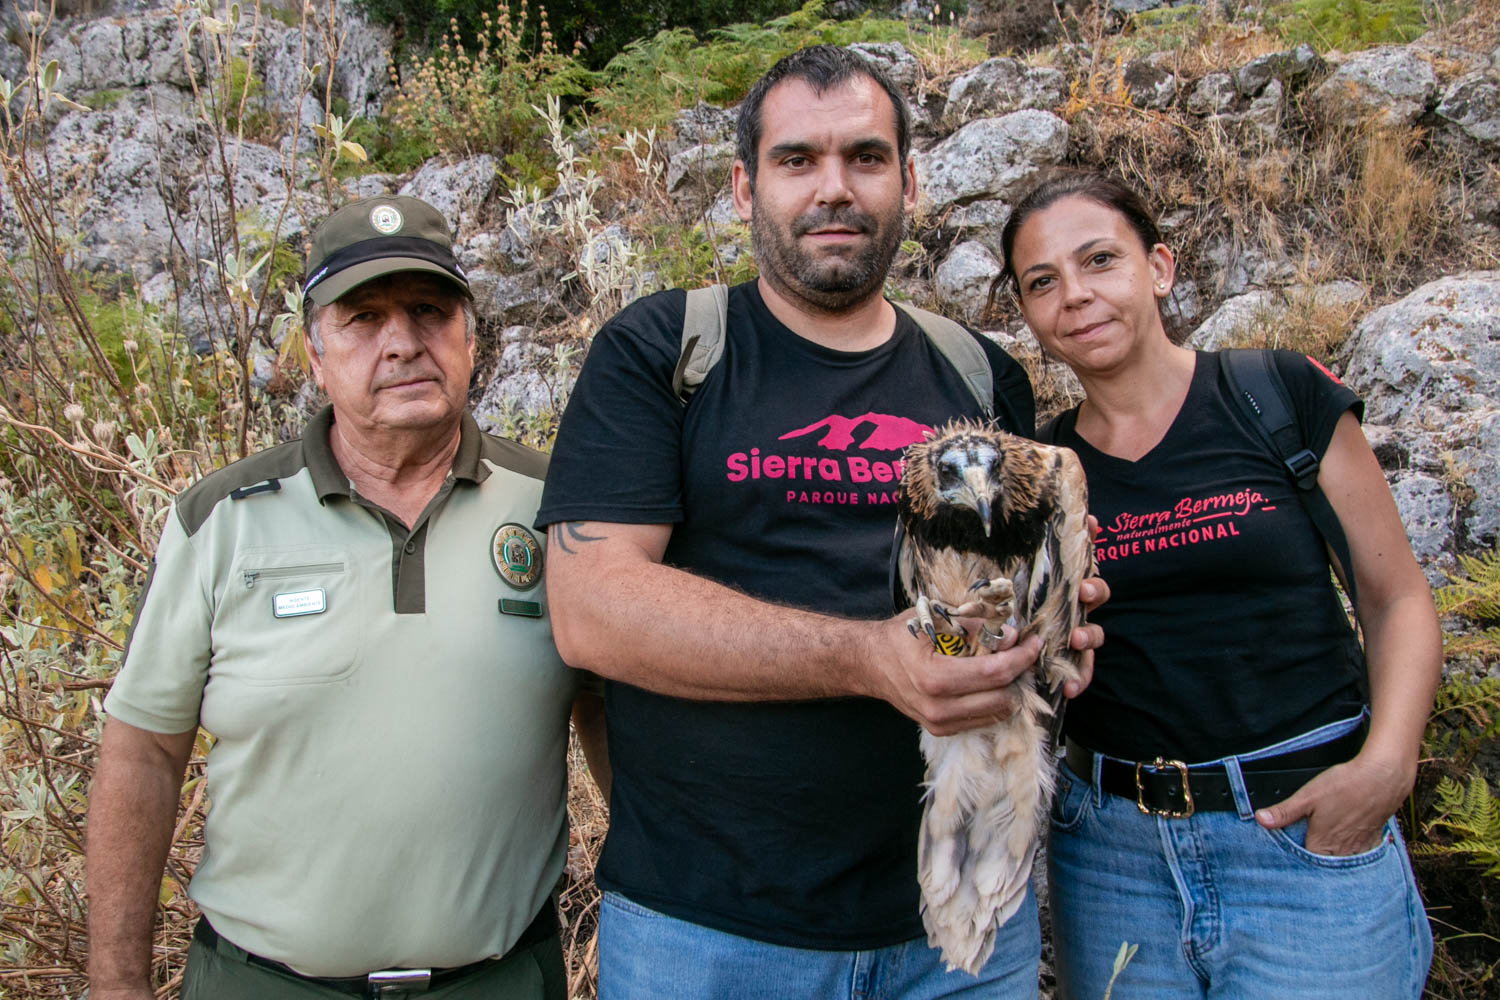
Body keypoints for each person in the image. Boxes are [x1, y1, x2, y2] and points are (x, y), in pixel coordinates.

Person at [536, 46, 1105, 998]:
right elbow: (591, 610)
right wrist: (868, 659)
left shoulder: (978, 375)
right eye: (798, 159)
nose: (833, 189)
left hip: (959, 926)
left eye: (867, 158)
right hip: (709, 934)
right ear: (742, 185)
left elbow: (1007, 595)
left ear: (910, 181)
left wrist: (1053, 630)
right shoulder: (661, 352)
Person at [86, 195, 604, 1000]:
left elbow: (608, 714)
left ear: (471, 339)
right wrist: (115, 984)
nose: (403, 342)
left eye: (430, 311)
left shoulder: (560, 507)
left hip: (499, 982)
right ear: (315, 354)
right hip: (263, 985)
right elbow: (143, 752)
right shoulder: (220, 521)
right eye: (363, 318)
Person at [999, 169, 1439, 999]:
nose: (1077, 297)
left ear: (1159, 267)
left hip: (1304, 839)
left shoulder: (1276, 396)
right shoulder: (1041, 467)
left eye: (1100, 260)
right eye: (1042, 282)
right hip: (1111, 857)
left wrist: (1389, 765)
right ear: (1025, 312)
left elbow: (1397, 597)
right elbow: (1033, 657)